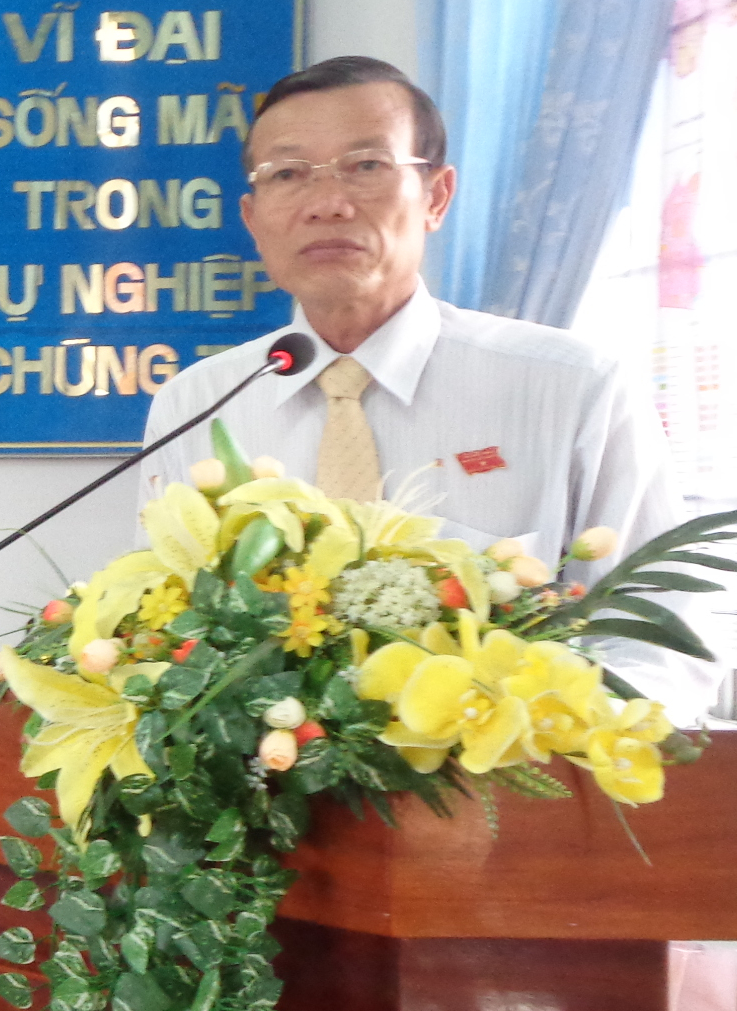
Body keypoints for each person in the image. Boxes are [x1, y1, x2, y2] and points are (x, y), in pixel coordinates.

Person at [138, 54, 699, 700]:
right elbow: (163, 633)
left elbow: (658, 646)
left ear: (436, 196)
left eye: (366, 166)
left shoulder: (574, 388)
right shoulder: (198, 403)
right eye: (288, 174)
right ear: (252, 220)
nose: (327, 203)